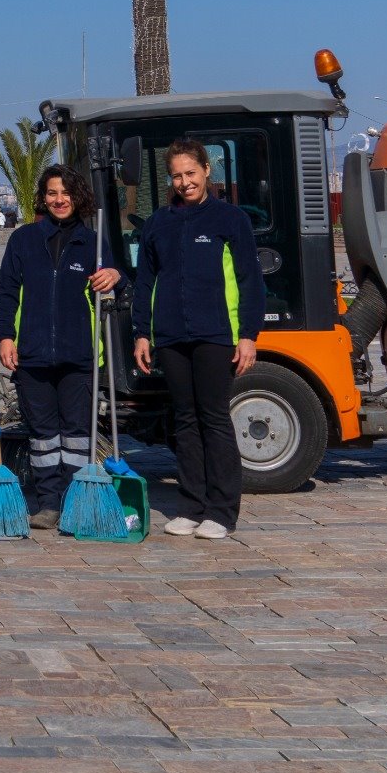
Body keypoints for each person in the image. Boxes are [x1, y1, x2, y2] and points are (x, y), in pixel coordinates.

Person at [131, 140, 263, 540]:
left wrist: (248, 336)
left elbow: (249, 281)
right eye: (177, 175)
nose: (185, 182)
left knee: (214, 419)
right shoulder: (158, 223)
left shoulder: (230, 219)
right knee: (184, 422)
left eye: (191, 173)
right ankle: (191, 506)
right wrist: (142, 333)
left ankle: (222, 512)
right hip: (170, 336)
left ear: (207, 170)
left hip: (215, 334)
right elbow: (145, 283)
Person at [0, 163, 121, 532]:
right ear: (43, 198)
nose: (59, 200)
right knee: (42, 434)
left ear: (79, 198)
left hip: (79, 354)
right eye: (52, 193)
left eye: (66, 193)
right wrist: (6, 336)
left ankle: (75, 500)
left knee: (77, 433)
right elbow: (8, 292)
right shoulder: (24, 240)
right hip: (33, 354)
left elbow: (119, 288)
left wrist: (116, 276)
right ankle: (47, 503)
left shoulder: (93, 242)